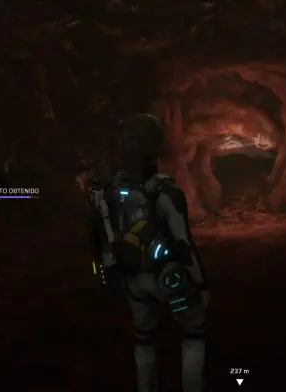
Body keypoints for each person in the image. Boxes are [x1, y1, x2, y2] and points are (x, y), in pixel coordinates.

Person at [87, 113, 209, 392]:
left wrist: (109, 274)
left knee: (145, 338)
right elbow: (183, 244)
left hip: (134, 281)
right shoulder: (166, 191)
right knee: (193, 330)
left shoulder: (109, 192)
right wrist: (200, 284)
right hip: (170, 280)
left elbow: (105, 240)